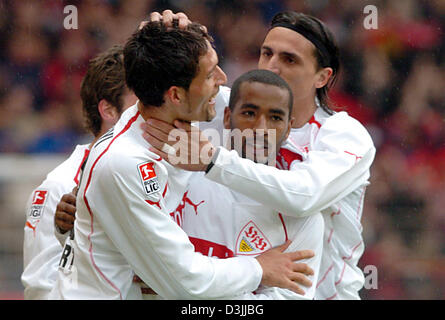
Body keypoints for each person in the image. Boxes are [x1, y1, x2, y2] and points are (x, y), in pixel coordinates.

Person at [49, 21, 312, 300]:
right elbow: (185, 282)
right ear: (175, 95)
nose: (223, 79)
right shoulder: (125, 163)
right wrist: (258, 268)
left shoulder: (171, 129)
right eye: (211, 74)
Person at [143, 10, 376, 300]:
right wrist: (167, 39)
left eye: (289, 59)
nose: (272, 66)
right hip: (237, 286)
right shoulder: (232, 104)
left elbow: (304, 196)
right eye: (267, 53)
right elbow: (150, 108)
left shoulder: (344, 135)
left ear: (322, 77)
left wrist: (212, 161)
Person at [179, 69, 324, 300]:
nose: (261, 128)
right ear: (227, 117)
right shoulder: (182, 182)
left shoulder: (303, 218)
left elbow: (178, 282)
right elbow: (162, 273)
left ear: (288, 128)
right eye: (249, 113)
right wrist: (257, 270)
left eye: (275, 118)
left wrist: (199, 289)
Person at [21, 45, 138, 300]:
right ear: (108, 111)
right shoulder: (58, 187)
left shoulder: (155, 175)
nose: (151, 111)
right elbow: (40, 289)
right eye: (140, 101)